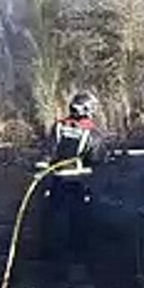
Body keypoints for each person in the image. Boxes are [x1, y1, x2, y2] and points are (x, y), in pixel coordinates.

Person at [38, 92, 108, 266]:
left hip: (55, 181)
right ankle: (77, 259)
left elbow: (48, 152)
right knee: (79, 223)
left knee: (53, 218)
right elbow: (97, 160)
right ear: (89, 110)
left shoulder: (58, 126)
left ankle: (51, 257)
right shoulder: (92, 133)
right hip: (79, 184)